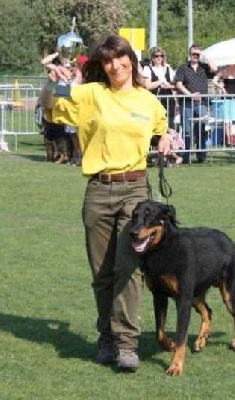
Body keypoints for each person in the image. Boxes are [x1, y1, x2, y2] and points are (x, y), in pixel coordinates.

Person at [39, 34, 171, 371]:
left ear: (131, 59)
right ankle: (107, 338)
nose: (115, 66)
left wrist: (167, 137)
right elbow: (51, 107)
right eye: (108, 61)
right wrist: (50, 83)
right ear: (102, 65)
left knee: (127, 268)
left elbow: (162, 124)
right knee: (102, 273)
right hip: (98, 190)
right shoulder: (91, 94)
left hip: (135, 190)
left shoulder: (146, 99)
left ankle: (127, 344)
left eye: (120, 58)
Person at [175, 43, 217, 163]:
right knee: (187, 131)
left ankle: (201, 156)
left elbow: (214, 68)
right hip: (187, 103)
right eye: (193, 53)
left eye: (197, 54)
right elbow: (179, 84)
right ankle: (185, 155)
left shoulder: (204, 67)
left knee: (201, 129)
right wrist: (190, 95)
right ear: (189, 54)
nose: (195, 56)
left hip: (202, 103)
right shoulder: (183, 67)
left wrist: (204, 54)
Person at [212, 64, 235, 145]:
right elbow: (214, 80)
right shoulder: (223, 70)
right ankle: (228, 140)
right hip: (226, 96)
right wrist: (221, 88)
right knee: (227, 119)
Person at [142, 46, 177, 129]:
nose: (159, 58)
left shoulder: (168, 69)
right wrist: (159, 82)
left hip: (168, 102)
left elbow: (176, 85)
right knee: (154, 125)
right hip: (154, 101)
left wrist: (168, 86)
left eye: (161, 56)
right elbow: (147, 86)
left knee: (169, 125)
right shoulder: (147, 69)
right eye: (156, 56)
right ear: (152, 57)